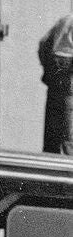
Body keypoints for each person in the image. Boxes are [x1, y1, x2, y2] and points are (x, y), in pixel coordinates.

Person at [38, 14, 73, 156]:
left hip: (55, 72)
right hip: (69, 75)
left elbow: (42, 44)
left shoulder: (64, 20)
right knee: (69, 129)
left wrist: (48, 69)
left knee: (52, 129)